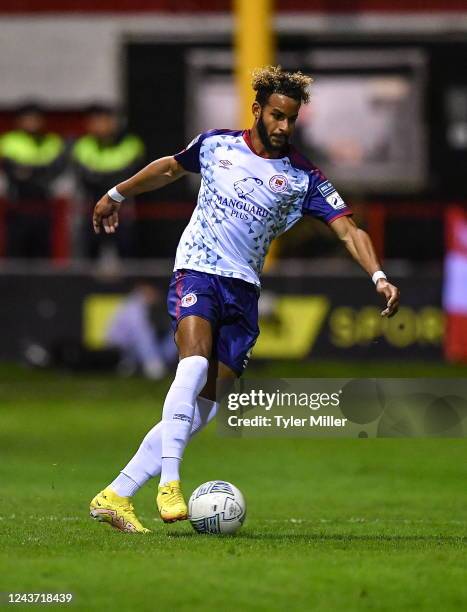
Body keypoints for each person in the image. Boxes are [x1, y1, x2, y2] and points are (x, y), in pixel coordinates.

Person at [89, 66, 400, 533]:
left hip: (243, 289)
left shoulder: (302, 178)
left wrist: (377, 275)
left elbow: (348, 230)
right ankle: (169, 482)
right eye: (276, 115)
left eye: (291, 120)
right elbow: (170, 168)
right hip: (198, 268)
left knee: (207, 406)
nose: (283, 127)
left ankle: (114, 495)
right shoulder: (217, 145)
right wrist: (116, 193)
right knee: (191, 364)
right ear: (257, 109)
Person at [72, 104, 144, 259]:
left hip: (124, 211)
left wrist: (103, 179)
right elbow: (86, 177)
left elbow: (132, 176)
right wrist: (113, 181)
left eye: (105, 121)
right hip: (92, 210)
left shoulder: (131, 144)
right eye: (95, 121)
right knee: (89, 255)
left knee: (127, 253)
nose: (100, 126)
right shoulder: (82, 146)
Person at [0, 102, 66, 258]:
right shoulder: (8, 141)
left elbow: (55, 170)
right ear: (19, 121)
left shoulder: (53, 142)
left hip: (45, 207)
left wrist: (28, 172)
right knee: (16, 254)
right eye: (27, 119)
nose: (31, 122)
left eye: (35, 118)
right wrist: (39, 172)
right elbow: (12, 172)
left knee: (44, 256)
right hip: (17, 208)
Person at [105, 282, 177, 379]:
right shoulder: (133, 305)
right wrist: (153, 359)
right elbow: (141, 333)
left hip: (140, 348)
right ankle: (151, 364)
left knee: (176, 330)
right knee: (144, 335)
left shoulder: (151, 306)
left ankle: (152, 363)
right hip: (122, 346)